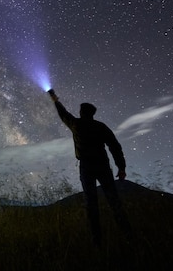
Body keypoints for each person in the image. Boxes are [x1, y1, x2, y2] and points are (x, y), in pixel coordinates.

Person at [48, 89, 132, 246]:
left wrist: (55, 100)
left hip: (86, 166)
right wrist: (121, 167)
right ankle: (128, 235)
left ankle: (97, 241)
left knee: (91, 203)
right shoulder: (101, 127)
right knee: (114, 200)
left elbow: (63, 114)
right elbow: (115, 146)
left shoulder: (76, 124)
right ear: (92, 113)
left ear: (81, 112)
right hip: (103, 165)